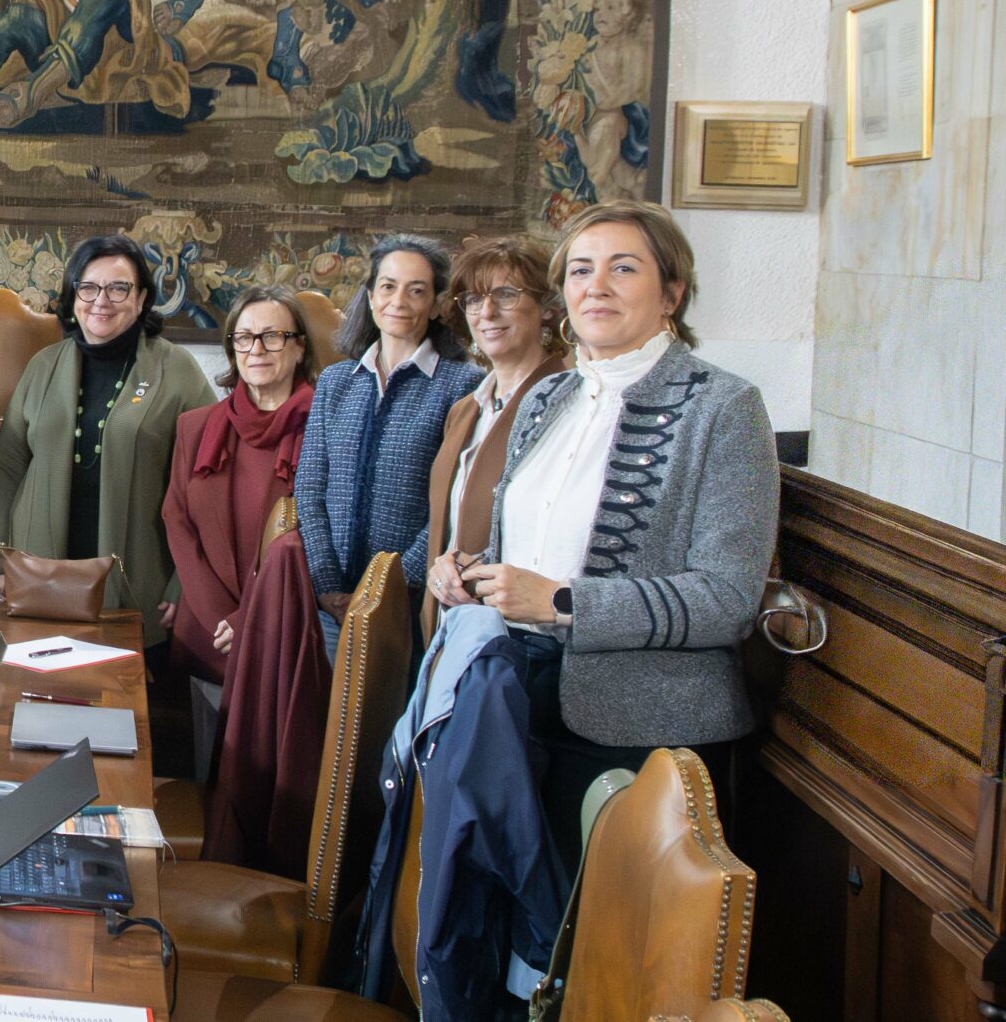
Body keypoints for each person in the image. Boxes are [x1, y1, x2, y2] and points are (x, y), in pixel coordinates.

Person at [420, 201, 778, 1003]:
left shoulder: (723, 406)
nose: (597, 286)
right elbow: (527, 551)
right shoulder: (550, 398)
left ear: (673, 291)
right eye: (580, 269)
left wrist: (565, 603)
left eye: (625, 267)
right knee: (517, 949)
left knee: (600, 977)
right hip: (520, 702)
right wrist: (466, 570)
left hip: (642, 731)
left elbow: (727, 598)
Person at [0, 234, 213, 641]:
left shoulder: (177, 370)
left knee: (121, 696)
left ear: (141, 298)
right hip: (39, 574)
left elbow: (206, 483)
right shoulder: (44, 366)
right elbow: (5, 468)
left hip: (141, 575)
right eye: (87, 287)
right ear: (73, 297)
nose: (100, 300)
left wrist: (186, 581)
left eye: (118, 287)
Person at [292, 234, 480, 646]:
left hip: (409, 603)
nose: (399, 300)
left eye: (417, 290)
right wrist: (325, 584)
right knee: (324, 708)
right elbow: (309, 489)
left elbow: (453, 506)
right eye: (389, 286)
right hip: (327, 602)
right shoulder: (337, 382)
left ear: (434, 305)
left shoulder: (462, 385)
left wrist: (387, 589)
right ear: (371, 296)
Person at [162, 287, 319, 764]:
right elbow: (177, 519)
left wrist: (251, 620)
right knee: (202, 779)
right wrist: (220, 618)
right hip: (209, 637)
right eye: (245, 338)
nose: (256, 350)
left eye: (272, 337)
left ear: (299, 348)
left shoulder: (325, 426)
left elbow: (317, 539)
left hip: (283, 638)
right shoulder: (196, 425)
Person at [421, 236, 568, 635]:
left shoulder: (568, 403)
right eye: (473, 299)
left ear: (547, 309)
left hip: (525, 638)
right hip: (453, 628)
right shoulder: (466, 408)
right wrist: (440, 571)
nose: (486, 312)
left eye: (505, 295)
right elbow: (448, 529)